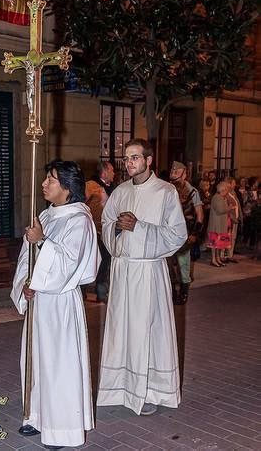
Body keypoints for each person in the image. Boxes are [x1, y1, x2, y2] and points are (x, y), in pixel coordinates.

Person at [11, 160, 100, 449]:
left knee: (59, 366)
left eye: (51, 180)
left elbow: (69, 265)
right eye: (46, 179)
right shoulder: (45, 217)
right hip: (39, 304)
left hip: (61, 304)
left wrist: (42, 242)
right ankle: (36, 416)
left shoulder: (80, 220)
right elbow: (27, 257)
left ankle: (63, 429)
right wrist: (25, 283)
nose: (44, 184)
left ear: (67, 188)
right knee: (37, 361)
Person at [97, 139, 187, 417]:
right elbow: (106, 224)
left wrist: (140, 227)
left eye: (135, 157)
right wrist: (118, 229)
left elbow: (177, 235)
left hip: (149, 273)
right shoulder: (120, 191)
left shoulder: (165, 191)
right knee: (122, 329)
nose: (129, 163)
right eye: (126, 158)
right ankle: (121, 387)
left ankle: (149, 390)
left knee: (147, 330)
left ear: (149, 160)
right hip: (123, 271)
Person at [169, 161, 204, 304]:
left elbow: (200, 215)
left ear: (184, 175)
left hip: (185, 234)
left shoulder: (192, 192)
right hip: (168, 233)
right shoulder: (167, 188)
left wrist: (195, 233)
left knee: (184, 264)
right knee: (167, 264)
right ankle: (171, 291)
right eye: (173, 172)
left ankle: (183, 293)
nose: (174, 175)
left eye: (177, 173)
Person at [85, 161, 115, 302]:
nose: (114, 173)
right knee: (89, 260)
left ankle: (101, 292)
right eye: (112, 170)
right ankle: (84, 289)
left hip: (105, 231)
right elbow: (81, 204)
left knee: (104, 261)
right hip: (92, 231)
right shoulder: (91, 186)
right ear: (104, 172)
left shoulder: (112, 187)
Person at [207, 182, 234, 266]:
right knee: (214, 244)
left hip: (220, 225)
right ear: (222, 190)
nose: (227, 191)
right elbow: (220, 210)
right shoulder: (217, 198)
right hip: (216, 225)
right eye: (226, 189)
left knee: (219, 245)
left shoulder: (221, 197)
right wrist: (229, 208)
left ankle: (218, 259)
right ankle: (214, 260)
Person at [225, 177, 242, 263]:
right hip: (230, 220)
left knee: (233, 238)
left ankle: (230, 255)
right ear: (229, 183)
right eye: (233, 183)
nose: (235, 185)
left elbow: (237, 206)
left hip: (235, 219)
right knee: (228, 237)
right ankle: (225, 255)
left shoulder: (234, 193)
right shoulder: (226, 194)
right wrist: (233, 218)